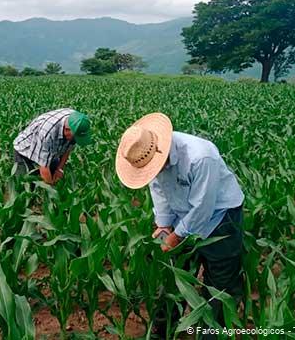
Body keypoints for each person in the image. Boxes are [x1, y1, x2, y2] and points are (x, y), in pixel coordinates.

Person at [115, 112, 244, 335]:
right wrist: (164, 225)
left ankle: (211, 333)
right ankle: (164, 330)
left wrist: (178, 235)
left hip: (220, 216)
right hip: (181, 212)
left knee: (220, 283)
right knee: (174, 275)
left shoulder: (200, 157)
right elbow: (159, 189)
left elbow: (203, 207)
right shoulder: (147, 158)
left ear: (160, 149)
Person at [13, 108, 92, 185]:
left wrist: (59, 169)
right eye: (75, 138)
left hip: (51, 149)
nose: (75, 140)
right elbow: (44, 166)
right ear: (67, 129)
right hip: (25, 149)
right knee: (24, 183)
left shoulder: (76, 122)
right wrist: (51, 190)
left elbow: (68, 148)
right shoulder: (47, 132)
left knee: (56, 177)